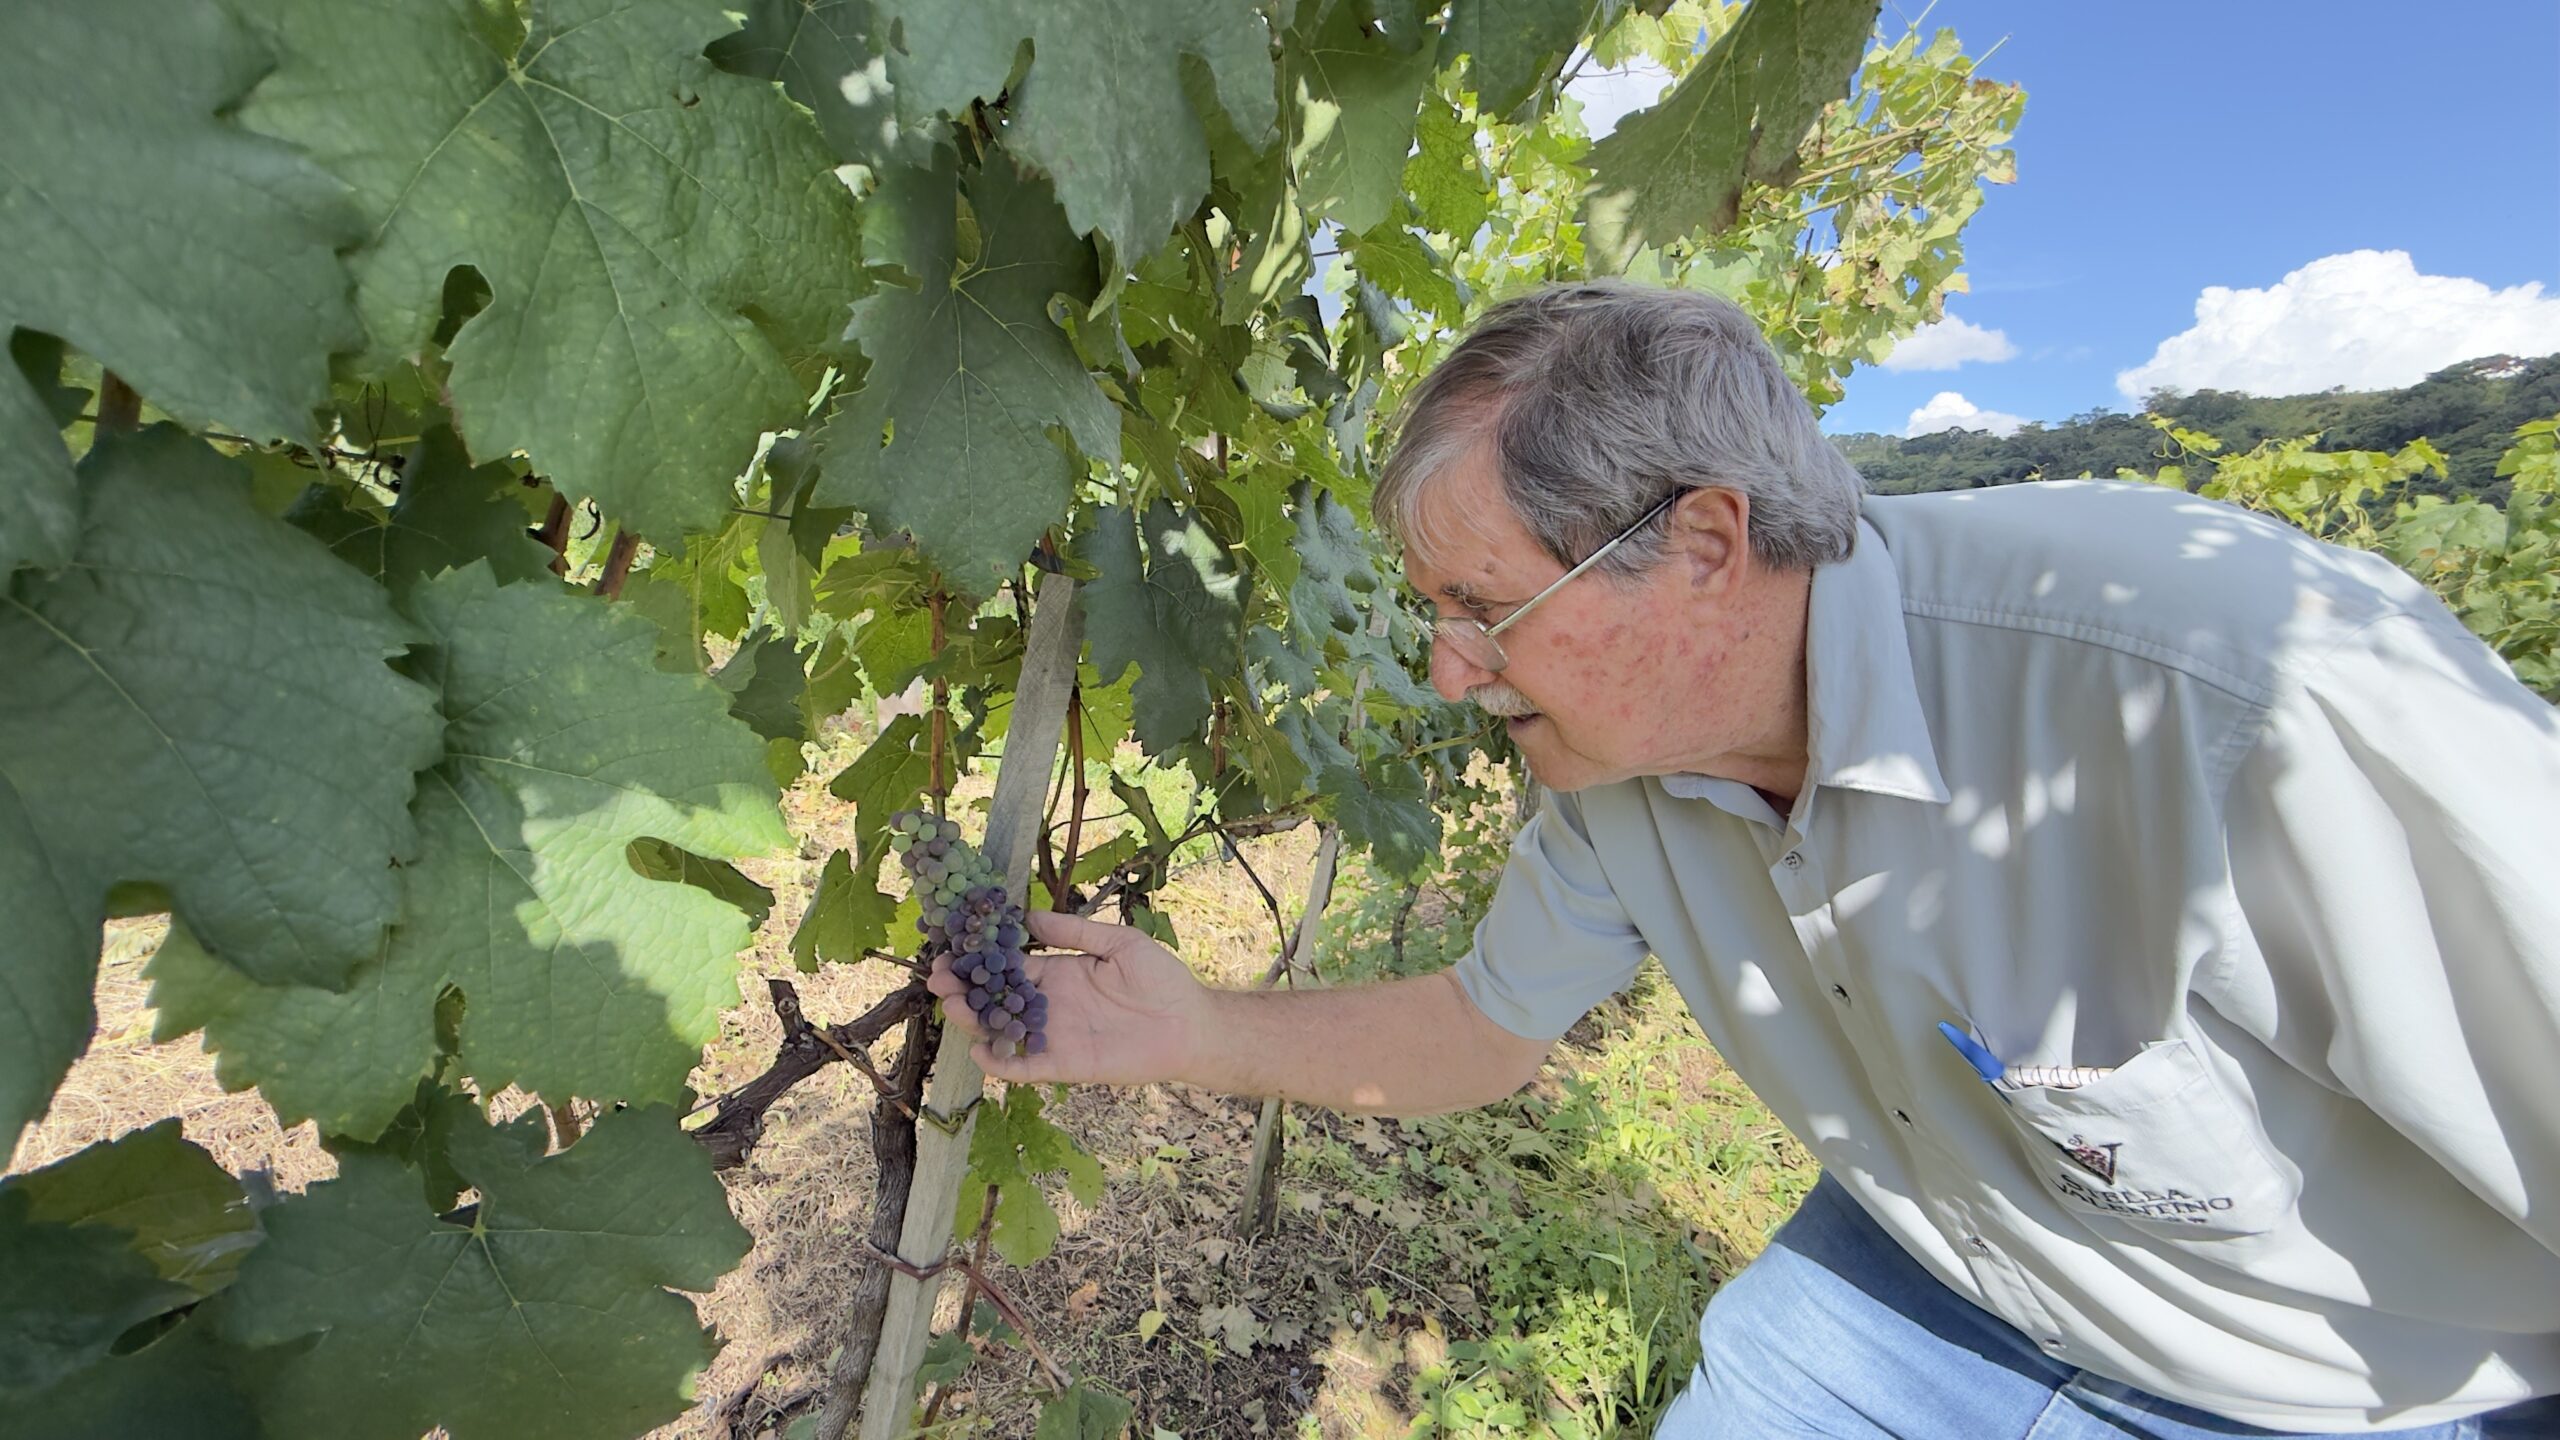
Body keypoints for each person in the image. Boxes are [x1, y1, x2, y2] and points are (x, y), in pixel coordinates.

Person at [932, 282, 2560, 1438]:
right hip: (1943, 1268)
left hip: (2352, 1392)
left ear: (1703, 547)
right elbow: (1483, 1029)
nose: (1444, 671)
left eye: (1480, 610)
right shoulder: (1621, 771)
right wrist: (1193, 1027)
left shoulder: (2226, 698)